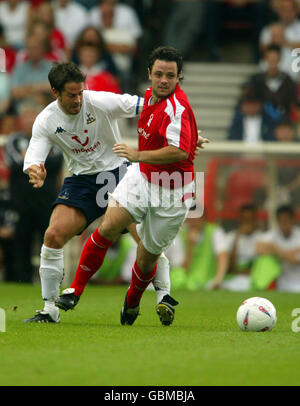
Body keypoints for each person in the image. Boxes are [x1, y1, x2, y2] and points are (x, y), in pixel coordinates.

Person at [22, 61, 206, 323]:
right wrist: (35, 169)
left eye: (80, 93)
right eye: (71, 95)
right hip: (81, 183)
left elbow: (150, 106)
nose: (78, 99)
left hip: (117, 175)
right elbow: (34, 154)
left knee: (146, 243)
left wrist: (186, 136)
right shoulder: (46, 120)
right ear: (55, 93)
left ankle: (162, 295)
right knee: (52, 235)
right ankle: (49, 310)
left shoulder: (99, 101)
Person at [5, 99, 63, 283]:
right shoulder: (14, 140)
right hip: (21, 204)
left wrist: (29, 159)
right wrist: (39, 160)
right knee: (22, 245)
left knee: (49, 244)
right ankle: (22, 281)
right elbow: (12, 163)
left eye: (33, 116)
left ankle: (52, 281)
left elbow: (57, 161)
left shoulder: (51, 138)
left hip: (46, 202)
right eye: (26, 116)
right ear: (21, 119)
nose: (29, 120)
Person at [256, 204, 300, 292]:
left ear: (292, 219)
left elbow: (293, 260)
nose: (284, 223)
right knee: (264, 260)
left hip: (297, 282)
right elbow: (259, 248)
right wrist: (291, 252)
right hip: (280, 283)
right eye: (281, 220)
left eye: (286, 220)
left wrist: (274, 248)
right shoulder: (273, 234)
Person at [248, 44, 297, 119]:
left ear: (280, 59)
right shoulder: (256, 79)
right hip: (261, 119)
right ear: (265, 59)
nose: (272, 63)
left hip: (283, 120)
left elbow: (292, 102)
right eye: (270, 60)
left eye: (275, 60)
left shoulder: (287, 81)